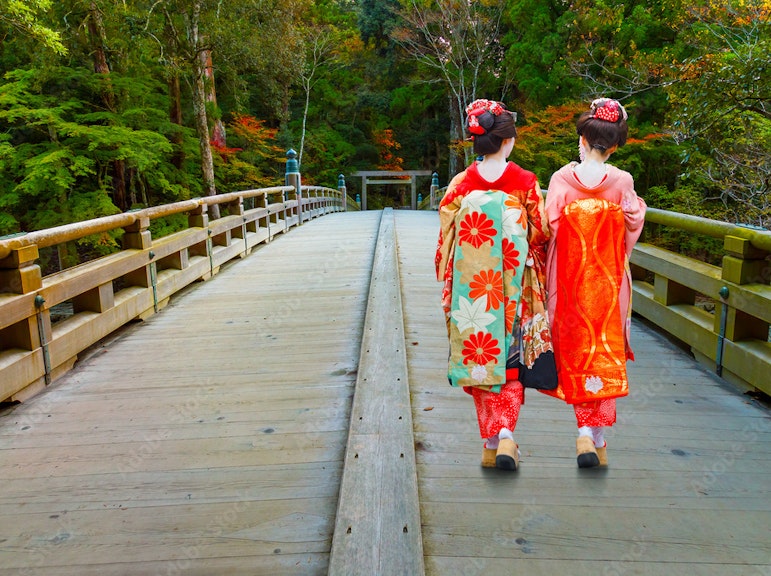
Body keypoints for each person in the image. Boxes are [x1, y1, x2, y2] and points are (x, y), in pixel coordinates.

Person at [435, 99, 552, 471]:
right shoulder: (526, 182)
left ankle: (490, 442)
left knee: (479, 358)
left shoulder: (461, 184)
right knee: (511, 361)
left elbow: (446, 235)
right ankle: (506, 436)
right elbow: (541, 233)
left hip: (472, 289)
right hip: (514, 286)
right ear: (508, 141)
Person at [543, 98, 647, 468]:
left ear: (582, 140)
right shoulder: (622, 181)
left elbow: (549, 228)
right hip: (607, 282)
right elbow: (632, 225)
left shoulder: (561, 180)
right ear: (615, 146)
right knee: (604, 349)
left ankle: (587, 431)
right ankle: (592, 434)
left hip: (568, 282)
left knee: (576, 349)